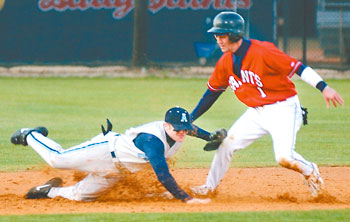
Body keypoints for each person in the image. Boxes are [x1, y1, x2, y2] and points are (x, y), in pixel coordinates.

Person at [190, 11, 344, 198]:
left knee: (284, 158)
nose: (218, 40)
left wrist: (324, 87)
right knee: (226, 144)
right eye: (216, 36)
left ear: (234, 35)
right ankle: (209, 187)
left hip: (283, 108)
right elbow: (211, 93)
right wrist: (191, 118)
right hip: (256, 112)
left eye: (222, 36)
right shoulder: (225, 62)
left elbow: (298, 68)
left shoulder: (263, 51)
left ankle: (310, 170)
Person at [10, 106, 212, 204]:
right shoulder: (153, 141)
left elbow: (194, 129)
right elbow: (162, 173)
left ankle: (48, 191)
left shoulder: (179, 132)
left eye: (184, 129)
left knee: (82, 196)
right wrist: (186, 199)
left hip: (116, 171)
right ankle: (30, 134)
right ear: (166, 125)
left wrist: (211, 137)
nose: (183, 132)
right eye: (178, 129)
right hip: (104, 150)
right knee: (57, 159)